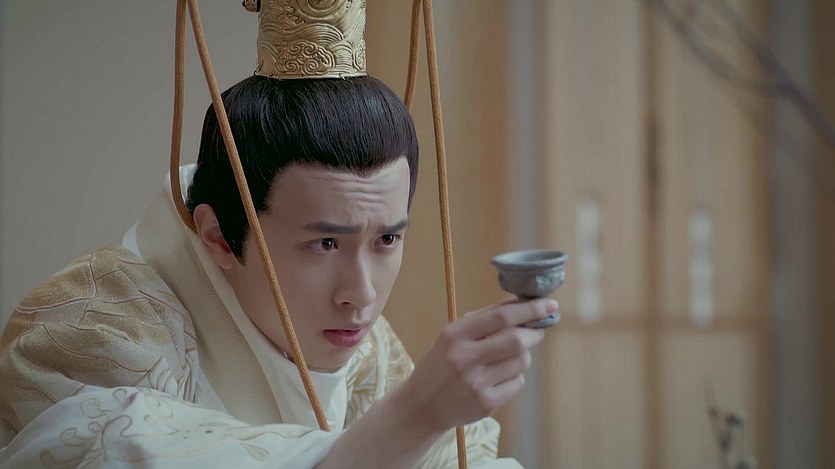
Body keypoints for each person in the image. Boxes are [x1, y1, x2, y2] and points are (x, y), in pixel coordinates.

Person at [0, 3, 557, 468]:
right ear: (219, 237)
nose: (361, 294)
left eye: (386, 240)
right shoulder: (89, 325)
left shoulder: (368, 350)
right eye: (325, 244)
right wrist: (416, 415)